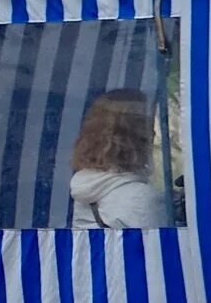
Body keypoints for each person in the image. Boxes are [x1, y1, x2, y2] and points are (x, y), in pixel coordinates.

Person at [66, 89, 172, 229]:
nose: (152, 132)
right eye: (145, 123)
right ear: (136, 139)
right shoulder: (142, 199)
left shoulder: (85, 189)